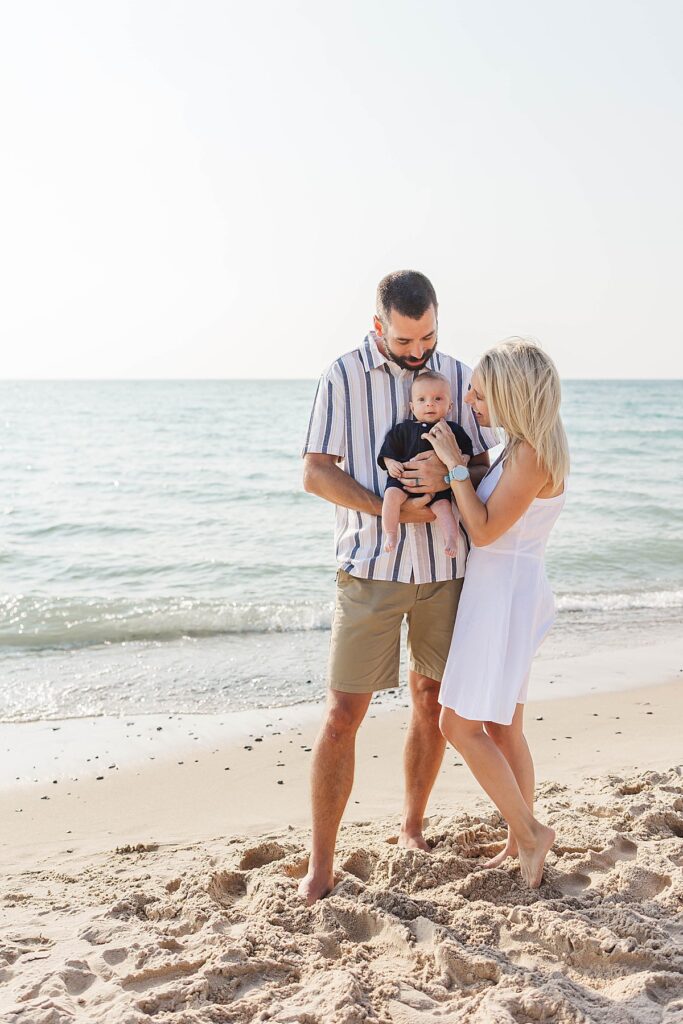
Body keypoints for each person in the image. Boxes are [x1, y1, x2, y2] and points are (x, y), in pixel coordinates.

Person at [299, 270, 493, 904]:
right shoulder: (341, 376)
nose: (421, 352)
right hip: (370, 570)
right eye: (408, 340)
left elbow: (492, 460)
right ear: (379, 326)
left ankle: (412, 828)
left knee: (432, 702)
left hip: (446, 573)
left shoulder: (462, 376)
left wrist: (453, 469)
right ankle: (321, 864)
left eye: (430, 336)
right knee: (340, 717)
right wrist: (391, 508)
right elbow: (316, 473)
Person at [422, 338, 569, 889]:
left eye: (481, 393)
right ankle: (519, 835)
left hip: (502, 597)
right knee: (505, 727)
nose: (470, 401)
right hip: (508, 589)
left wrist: (457, 469)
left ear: (511, 394)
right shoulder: (523, 447)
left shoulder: (531, 455)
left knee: (457, 724)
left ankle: (531, 833)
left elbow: (483, 530)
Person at [378, 370, 473, 557]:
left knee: (445, 509)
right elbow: (387, 451)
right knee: (391, 496)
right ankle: (390, 534)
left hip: (439, 487)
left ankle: (451, 539)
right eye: (422, 400)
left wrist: (463, 461)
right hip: (403, 479)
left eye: (438, 399)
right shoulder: (402, 429)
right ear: (412, 407)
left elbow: (466, 451)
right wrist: (390, 464)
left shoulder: (452, 430)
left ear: (450, 406)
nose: (430, 403)